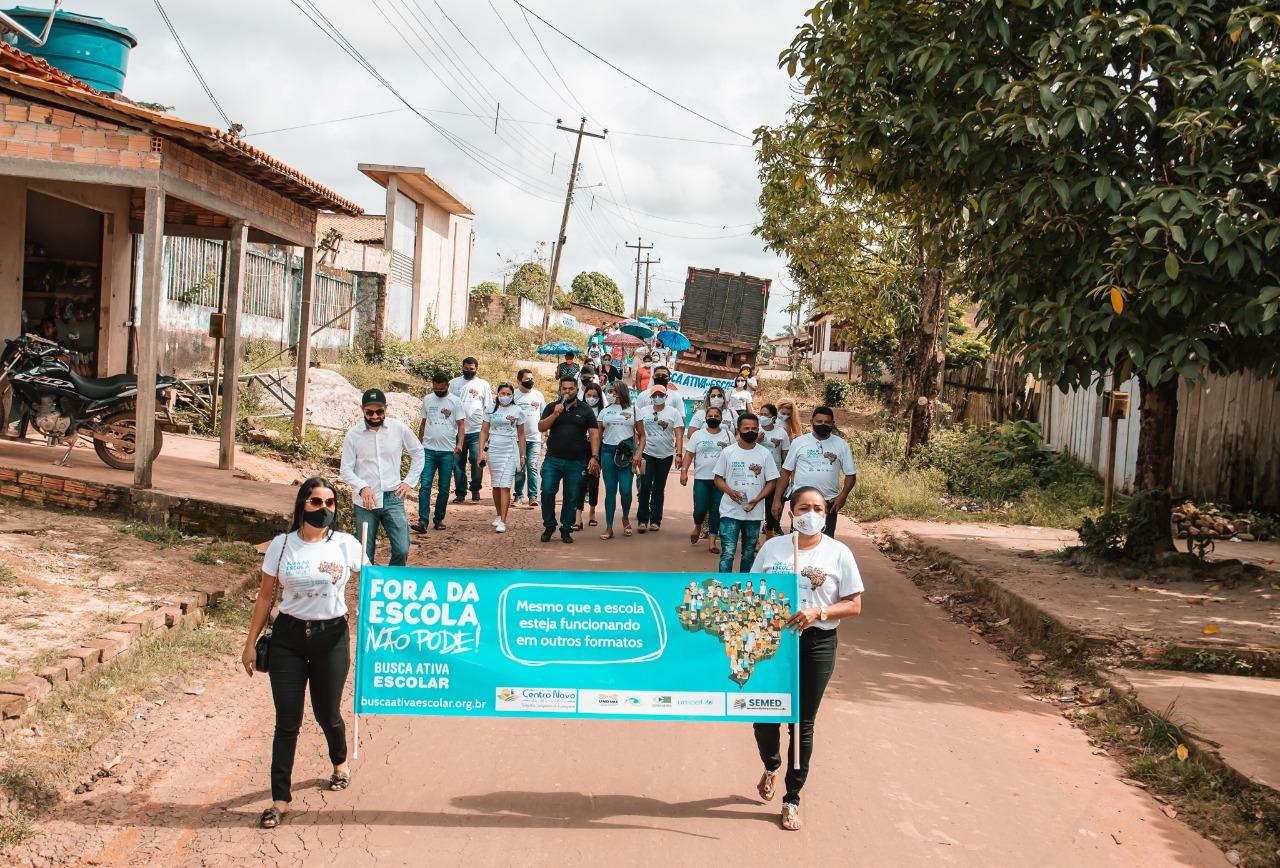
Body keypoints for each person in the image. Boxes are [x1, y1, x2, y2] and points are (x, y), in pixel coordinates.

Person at [242, 477, 366, 829]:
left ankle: (339, 762)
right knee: (287, 722)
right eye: (315, 502)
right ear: (302, 505)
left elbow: (375, 584)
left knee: (327, 713)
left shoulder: (346, 544)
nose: (323, 509)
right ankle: (279, 799)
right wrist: (250, 642)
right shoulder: (282, 546)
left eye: (330, 504)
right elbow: (266, 596)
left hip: (332, 637)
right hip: (288, 638)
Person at [751, 487, 864, 830]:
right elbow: (750, 590)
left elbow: (854, 604)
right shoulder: (772, 549)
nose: (811, 513)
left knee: (802, 723)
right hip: (773, 642)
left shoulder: (839, 553)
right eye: (804, 507)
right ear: (791, 512)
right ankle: (771, 764)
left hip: (817, 643)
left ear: (827, 513)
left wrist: (820, 611)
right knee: (765, 716)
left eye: (818, 508)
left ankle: (792, 799)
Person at [339, 388, 423, 565]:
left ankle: (391, 585)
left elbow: (418, 452)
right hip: (365, 503)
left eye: (379, 411)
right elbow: (345, 469)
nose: (375, 416)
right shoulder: (353, 435)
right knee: (364, 555)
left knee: (402, 549)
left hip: (393, 497)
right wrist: (362, 486)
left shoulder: (399, 428)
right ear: (362, 410)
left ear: (387, 408)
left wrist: (409, 481)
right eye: (369, 412)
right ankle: (369, 589)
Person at [773, 406, 856, 538]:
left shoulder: (842, 445)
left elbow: (851, 475)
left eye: (827, 422)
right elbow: (785, 471)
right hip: (801, 501)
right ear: (812, 422)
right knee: (798, 541)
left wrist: (843, 496)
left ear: (833, 424)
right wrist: (777, 499)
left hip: (829, 502)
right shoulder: (799, 443)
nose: (823, 425)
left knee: (825, 541)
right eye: (819, 421)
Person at [538, 375, 601, 543]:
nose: (567, 391)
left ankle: (566, 528)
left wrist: (594, 456)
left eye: (570, 388)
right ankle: (549, 524)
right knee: (547, 491)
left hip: (576, 461)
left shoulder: (586, 410)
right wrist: (555, 414)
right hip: (553, 459)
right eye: (564, 388)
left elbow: (594, 434)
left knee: (571, 496)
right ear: (560, 390)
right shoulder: (552, 407)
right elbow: (541, 427)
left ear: (577, 389)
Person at [714, 412, 778, 573]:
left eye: (754, 428)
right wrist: (730, 492)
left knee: (749, 554)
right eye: (746, 428)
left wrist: (757, 500)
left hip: (754, 514)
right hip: (730, 512)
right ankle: (723, 587)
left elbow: (772, 481)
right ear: (739, 429)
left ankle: (745, 587)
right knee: (728, 553)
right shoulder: (728, 452)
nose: (751, 431)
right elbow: (718, 478)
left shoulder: (765, 454)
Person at [415, 372, 464, 532]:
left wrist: (460, 444)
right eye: (435, 388)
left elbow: (461, 425)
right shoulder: (428, 399)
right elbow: (423, 423)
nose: (438, 391)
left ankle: (439, 519)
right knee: (425, 486)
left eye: (441, 389)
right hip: (428, 450)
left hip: (447, 452)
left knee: (443, 487)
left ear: (447, 386)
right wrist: (419, 443)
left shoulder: (455, 402)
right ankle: (423, 520)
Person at [681, 405, 733, 553]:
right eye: (710, 416)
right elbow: (689, 454)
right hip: (702, 478)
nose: (713, 418)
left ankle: (712, 542)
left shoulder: (727, 435)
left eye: (716, 416)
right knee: (700, 508)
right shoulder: (698, 435)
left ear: (721, 419)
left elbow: (734, 454)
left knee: (716, 510)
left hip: (721, 479)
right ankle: (698, 525)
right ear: (705, 418)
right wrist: (684, 472)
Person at [596, 379, 644, 540]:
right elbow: (597, 434)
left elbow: (642, 435)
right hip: (608, 452)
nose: (610, 394)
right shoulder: (604, 411)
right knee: (610, 490)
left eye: (614, 391)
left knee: (625, 490)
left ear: (622, 392)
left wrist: (638, 454)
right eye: (609, 391)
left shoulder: (634, 410)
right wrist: (595, 455)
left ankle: (625, 516)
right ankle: (609, 527)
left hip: (627, 453)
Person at [636, 384, 684, 533]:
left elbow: (678, 434)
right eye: (655, 395)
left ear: (666, 397)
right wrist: (637, 452)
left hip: (666, 455)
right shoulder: (643, 412)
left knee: (658, 487)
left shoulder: (674, 413)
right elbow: (637, 432)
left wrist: (679, 453)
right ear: (651, 397)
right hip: (647, 453)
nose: (658, 397)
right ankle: (642, 519)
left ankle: (656, 520)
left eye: (660, 395)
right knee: (645, 485)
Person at [479, 382, 525, 533]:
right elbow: (484, 431)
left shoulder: (517, 410)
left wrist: (523, 455)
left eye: (508, 394)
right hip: (494, 449)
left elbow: (521, 434)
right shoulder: (490, 408)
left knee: (505, 484)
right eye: (502, 393)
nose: (505, 396)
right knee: (496, 484)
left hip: (510, 449)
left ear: (513, 395)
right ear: (497, 394)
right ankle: (498, 514)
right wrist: (481, 452)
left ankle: (503, 521)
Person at [449, 357, 493, 504]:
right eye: (466, 368)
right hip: (456, 431)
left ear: (476, 369)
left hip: (477, 431)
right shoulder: (453, 383)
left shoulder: (483, 385)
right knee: (457, 463)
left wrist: (488, 430)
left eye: (472, 369)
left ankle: (475, 489)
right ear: (462, 367)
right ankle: (460, 493)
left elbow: (488, 408)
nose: (469, 371)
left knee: (476, 460)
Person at [574, 382, 606, 530]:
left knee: (593, 480)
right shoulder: (578, 409)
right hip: (580, 449)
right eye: (589, 395)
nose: (591, 398)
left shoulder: (603, 412)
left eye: (595, 396)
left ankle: (592, 512)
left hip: (597, 449)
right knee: (580, 481)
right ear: (584, 395)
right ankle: (577, 516)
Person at [512, 369, 545, 509]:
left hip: (535, 438)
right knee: (520, 467)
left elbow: (544, 414)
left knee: (532, 466)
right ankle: (518, 496)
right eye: (527, 379)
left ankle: (533, 496)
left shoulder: (538, 395)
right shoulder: (513, 395)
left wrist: (544, 435)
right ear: (519, 380)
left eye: (531, 378)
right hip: (518, 438)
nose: (530, 381)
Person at [758, 403, 791, 541]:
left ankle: (770, 530)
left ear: (773, 417)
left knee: (772, 502)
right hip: (756, 473)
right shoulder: (755, 430)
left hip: (774, 473)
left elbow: (785, 455)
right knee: (756, 503)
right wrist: (756, 440)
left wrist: (788, 473)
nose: (762, 417)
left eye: (766, 415)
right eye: (761, 414)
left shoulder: (781, 432)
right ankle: (752, 536)